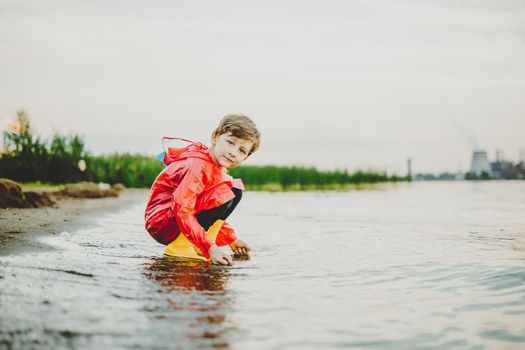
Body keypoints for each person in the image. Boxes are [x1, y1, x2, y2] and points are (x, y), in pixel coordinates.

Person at [144, 114, 260, 266]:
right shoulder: (198, 165)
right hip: (162, 222)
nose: (233, 152)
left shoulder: (218, 169)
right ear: (214, 138)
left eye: (242, 151)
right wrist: (210, 248)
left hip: (173, 220)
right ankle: (181, 247)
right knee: (226, 191)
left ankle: (199, 245)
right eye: (230, 142)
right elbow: (182, 208)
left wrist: (231, 239)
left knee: (234, 190)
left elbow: (209, 206)